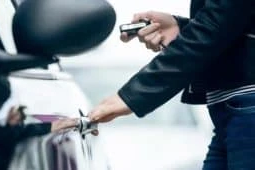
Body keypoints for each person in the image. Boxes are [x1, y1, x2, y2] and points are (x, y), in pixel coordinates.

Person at [88, 0, 255, 169]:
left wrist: (132, 96)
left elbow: (214, 25)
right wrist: (183, 27)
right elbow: (226, 20)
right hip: (231, 112)